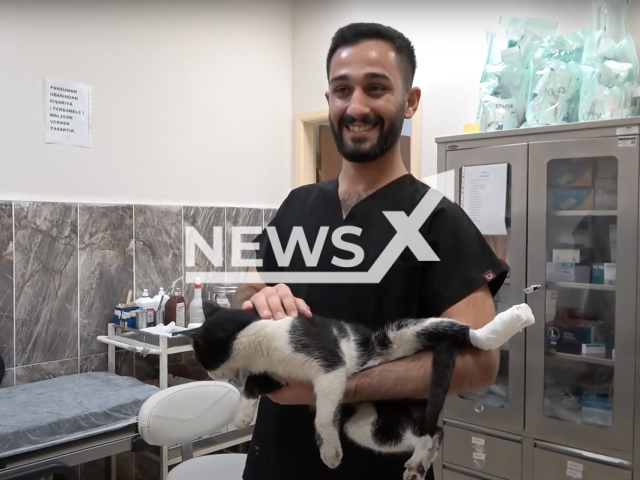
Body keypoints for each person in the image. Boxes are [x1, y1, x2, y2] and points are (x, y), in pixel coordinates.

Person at [232, 22, 509, 480]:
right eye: (342, 90)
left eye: (376, 88)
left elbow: (480, 360)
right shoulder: (298, 205)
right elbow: (246, 291)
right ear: (329, 102)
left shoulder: (439, 221)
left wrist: (336, 385)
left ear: (411, 101)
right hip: (275, 463)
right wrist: (255, 301)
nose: (356, 106)